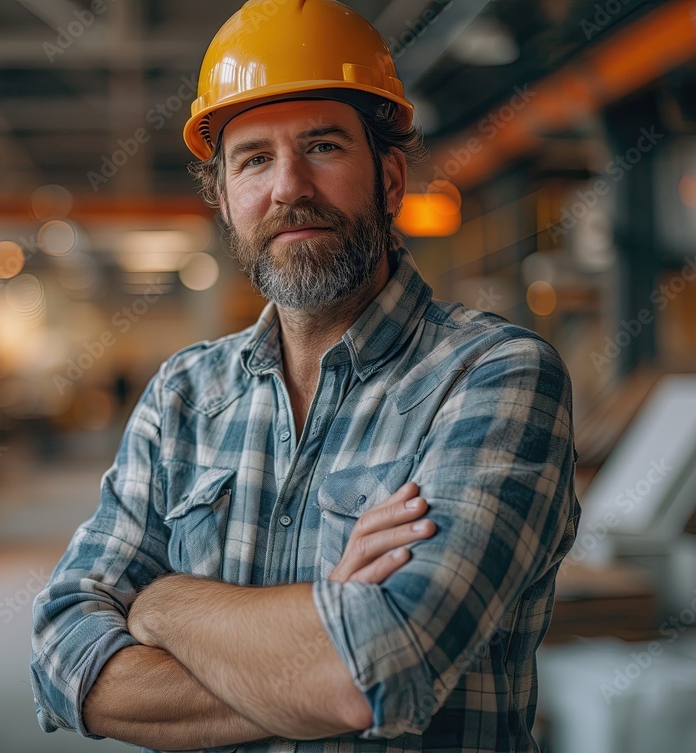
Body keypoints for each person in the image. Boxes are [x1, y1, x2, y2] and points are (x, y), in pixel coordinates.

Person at [31, 1, 581, 751]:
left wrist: (162, 604)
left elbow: (374, 671)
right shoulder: (183, 396)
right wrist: (322, 637)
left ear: (389, 178)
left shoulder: (493, 377)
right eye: (253, 158)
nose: (289, 185)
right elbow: (65, 656)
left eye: (322, 146)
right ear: (224, 199)